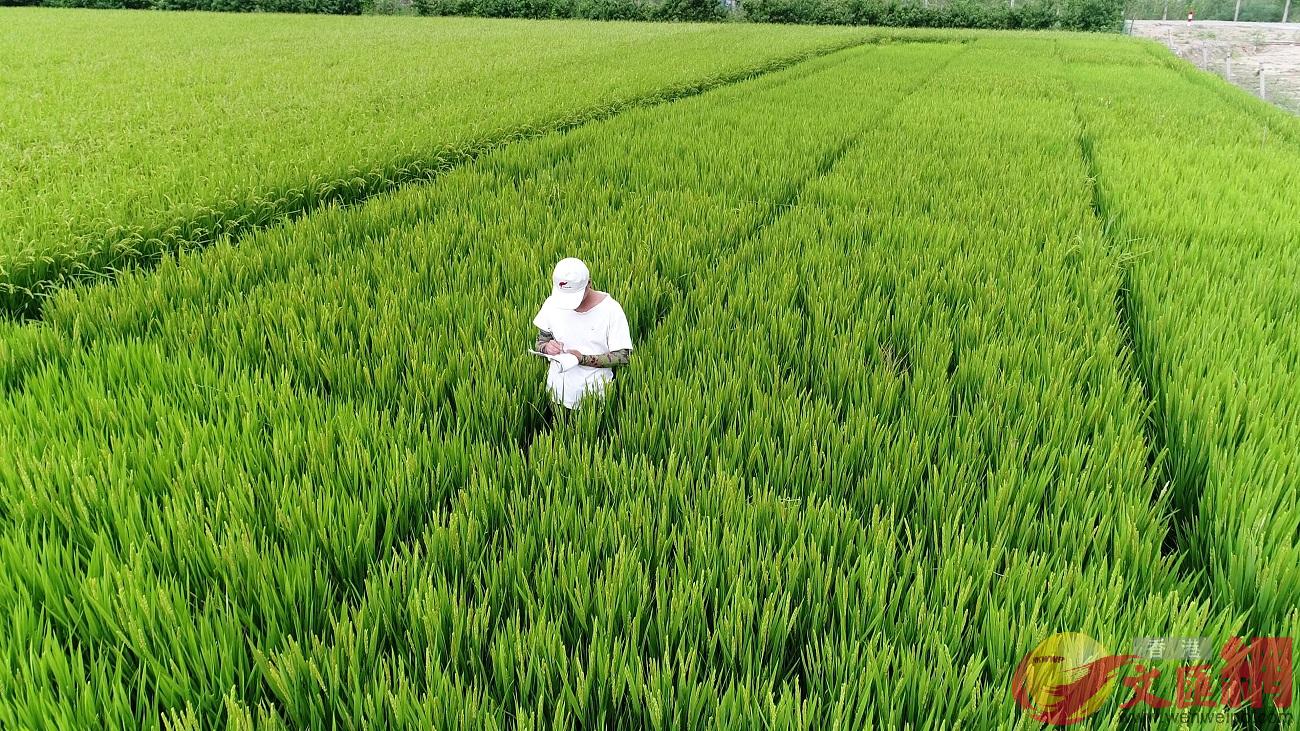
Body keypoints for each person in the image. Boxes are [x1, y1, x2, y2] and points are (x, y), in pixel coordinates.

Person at [533, 257, 633, 409]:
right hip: (556, 392)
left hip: (595, 398)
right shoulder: (552, 303)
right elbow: (541, 341)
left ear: (589, 284)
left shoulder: (610, 310)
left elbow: (623, 356)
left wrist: (582, 359)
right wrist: (547, 347)